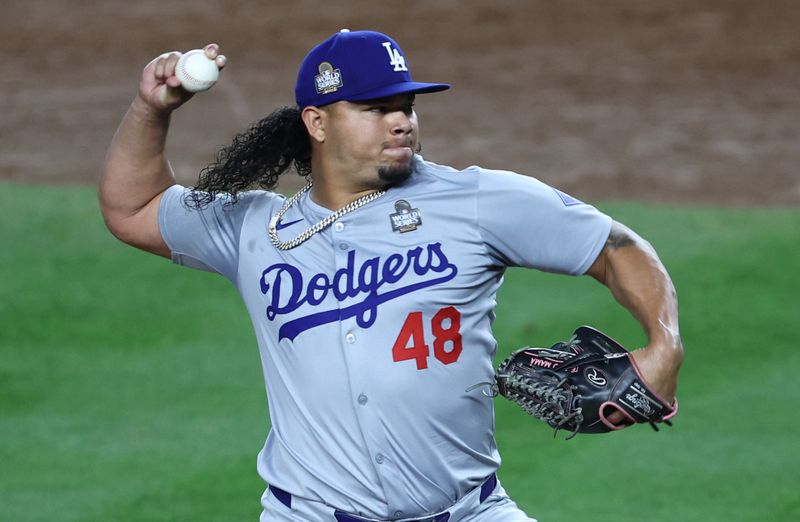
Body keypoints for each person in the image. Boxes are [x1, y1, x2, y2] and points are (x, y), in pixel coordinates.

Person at [99, 29, 683, 522]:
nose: (401, 121)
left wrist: (665, 344)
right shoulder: (255, 228)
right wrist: (151, 110)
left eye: (407, 106)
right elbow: (132, 208)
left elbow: (618, 249)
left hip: (470, 511)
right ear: (318, 122)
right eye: (376, 109)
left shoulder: (478, 200)